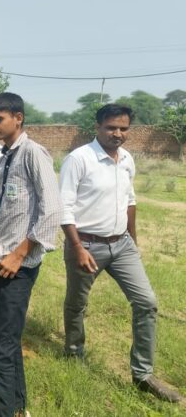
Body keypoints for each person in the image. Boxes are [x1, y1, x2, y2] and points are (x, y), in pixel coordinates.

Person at [60, 103, 182, 403]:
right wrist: (76, 247)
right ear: (98, 127)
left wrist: (133, 240)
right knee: (77, 303)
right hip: (86, 244)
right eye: (111, 127)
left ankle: (143, 374)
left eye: (123, 128)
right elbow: (63, 207)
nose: (118, 133)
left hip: (122, 244)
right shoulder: (79, 159)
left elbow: (130, 199)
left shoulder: (126, 159)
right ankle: (74, 351)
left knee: (147, 302)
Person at [0, 93, 62, 417]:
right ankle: (18, 407)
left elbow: (51, 210)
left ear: (18, 118)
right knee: (6, 340)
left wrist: (18, 254)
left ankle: (2, 411)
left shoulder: (33, 154)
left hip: (19, 266)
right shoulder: (3, 160)